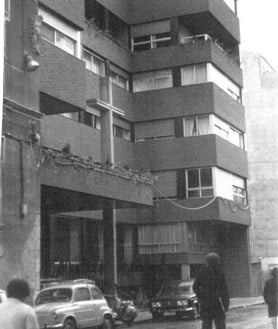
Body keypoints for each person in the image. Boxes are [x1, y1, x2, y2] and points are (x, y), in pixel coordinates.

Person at [193, 252, 229, 329]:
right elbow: (224, 291)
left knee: (206, 325)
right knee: (220, 325)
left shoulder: (202, 272)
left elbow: (195, 287)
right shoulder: (219, 273)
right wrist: (226, 305)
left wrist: (201, 296)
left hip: (206, 304)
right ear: (217, 262)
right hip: (217, 303)